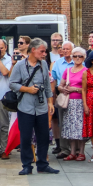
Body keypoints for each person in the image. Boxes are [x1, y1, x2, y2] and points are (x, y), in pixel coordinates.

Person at [9, 38, 58, 176]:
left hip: (41, 106)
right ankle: (27, 165)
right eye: (42, 51)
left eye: (45, 51)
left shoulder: (43, 64)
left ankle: (43, 164)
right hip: (25, 106)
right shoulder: (20, 65)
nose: (44, 54)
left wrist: (50, 102)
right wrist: (27, 89)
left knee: (43, 137)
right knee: (25, 137)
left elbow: (48, 85)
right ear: (33, 50)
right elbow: (12, 84)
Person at [58, 47, 88, 161]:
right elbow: (60, 85)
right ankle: (72, 152)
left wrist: (75, 89)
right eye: (75, 56)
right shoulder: (68, 70)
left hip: (80, 101)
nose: (77, 58)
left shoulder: (86, 71)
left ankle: (81, 152)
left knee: (80, 127)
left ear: (84, 57)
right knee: (70, 126)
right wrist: (62, 89)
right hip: (69, 102)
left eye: (80, 56)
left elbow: (87, 89)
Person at [49, 42, 74, 159]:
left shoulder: (79, 62)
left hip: (76, 95)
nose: (65, 51)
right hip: (62, 94)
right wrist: (52, 97)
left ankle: (76, 148)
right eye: (63, 49)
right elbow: (53, 80)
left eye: (67, 49)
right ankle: (64, 148)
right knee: (62, 122)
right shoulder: (57, 64)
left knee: (75, 122)